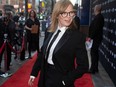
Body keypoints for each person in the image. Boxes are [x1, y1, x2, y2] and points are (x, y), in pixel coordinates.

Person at [28, 0, 89, 87]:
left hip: (61, 80)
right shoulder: (49, 31)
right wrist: (34, 73)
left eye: (71, 13)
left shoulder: (77, 37)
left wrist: (66, 80)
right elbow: (42, 54)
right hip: (45, 76)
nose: (69, 17)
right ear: (57, 15)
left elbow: (83, 66)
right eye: (64, 13)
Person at [88, 4, 104, 74]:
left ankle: (93, 69)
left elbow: (95, 29)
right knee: (95, 53)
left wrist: (90, 37)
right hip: (96, 38)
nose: (93, 9)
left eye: (94, 8)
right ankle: (95, 68)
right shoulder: (98, 17)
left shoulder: (99, 17)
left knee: (93, 54)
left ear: (97, 9)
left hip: (95, 38)